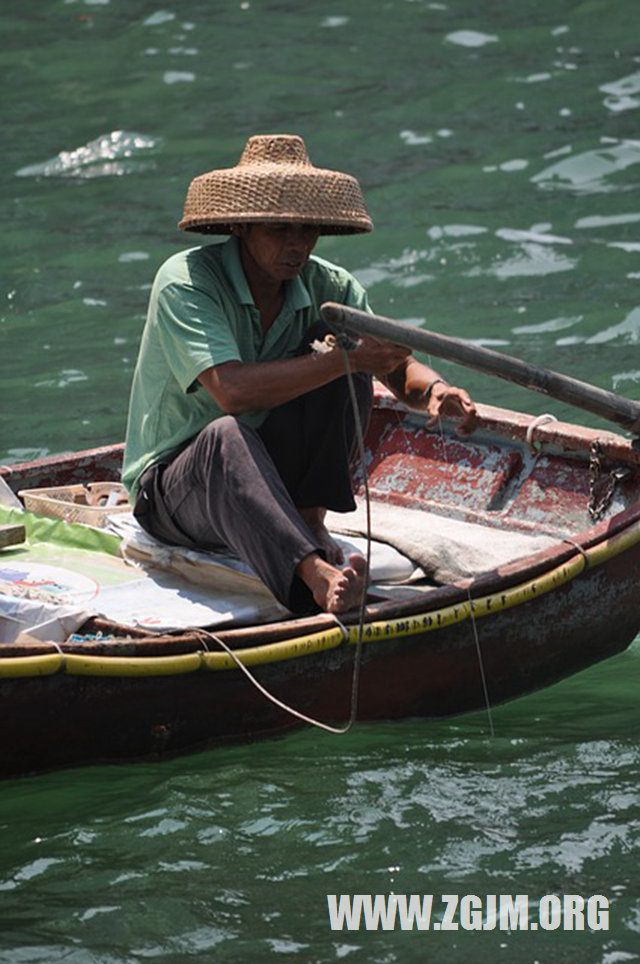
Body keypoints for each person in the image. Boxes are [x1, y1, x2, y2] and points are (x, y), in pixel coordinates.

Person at [122, 134, 476, 615]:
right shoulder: (186, 280)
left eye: (307, 230)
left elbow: (394, 365)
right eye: (280, 229)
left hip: (267, 467)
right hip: (173, 489)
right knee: (231, 432)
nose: (297, 244)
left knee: (345, 360)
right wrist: (346, 359)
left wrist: (434, 391)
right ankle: (315, 573)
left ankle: (309, 522)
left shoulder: (330, 285)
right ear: (243, 227)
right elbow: (232, 392)